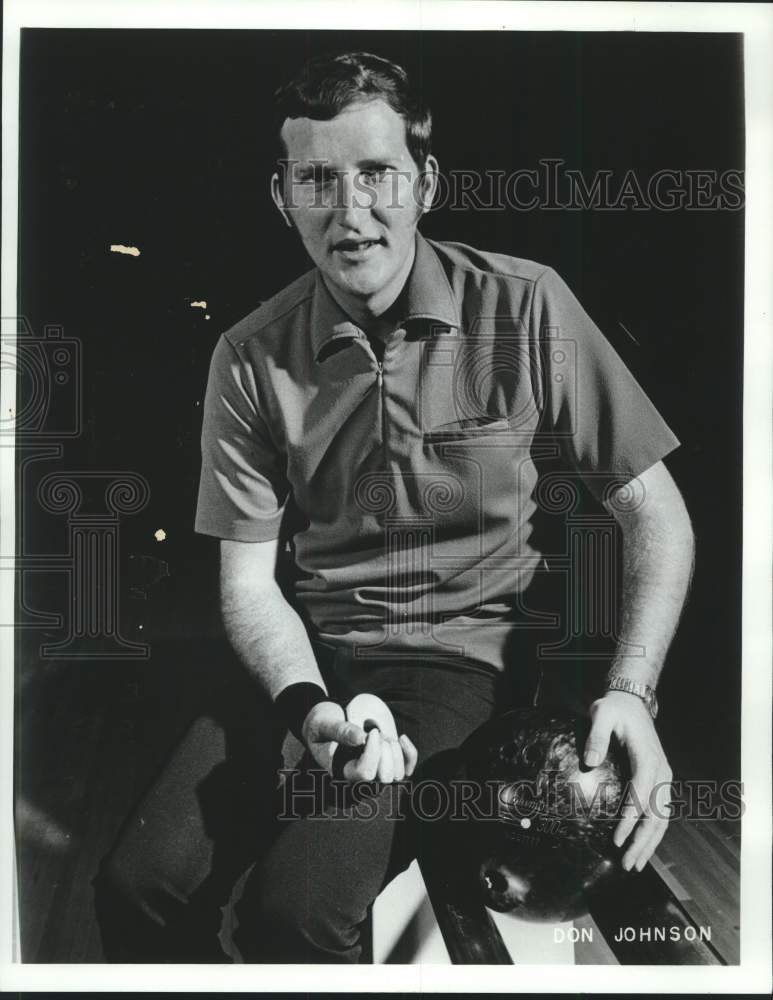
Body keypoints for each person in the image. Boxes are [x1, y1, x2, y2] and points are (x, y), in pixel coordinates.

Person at [93, 51, 695, 963]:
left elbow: (656, 515)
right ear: (282, 195)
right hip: (308, 656)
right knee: (135, 891)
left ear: (425, 182)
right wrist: (310, 711)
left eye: (375, 173)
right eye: (317, 180)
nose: (350, 209)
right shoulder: (249, 357)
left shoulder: (525, 306)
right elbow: (250, 587)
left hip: (458, 668)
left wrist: (631, 692)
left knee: (294, 921)